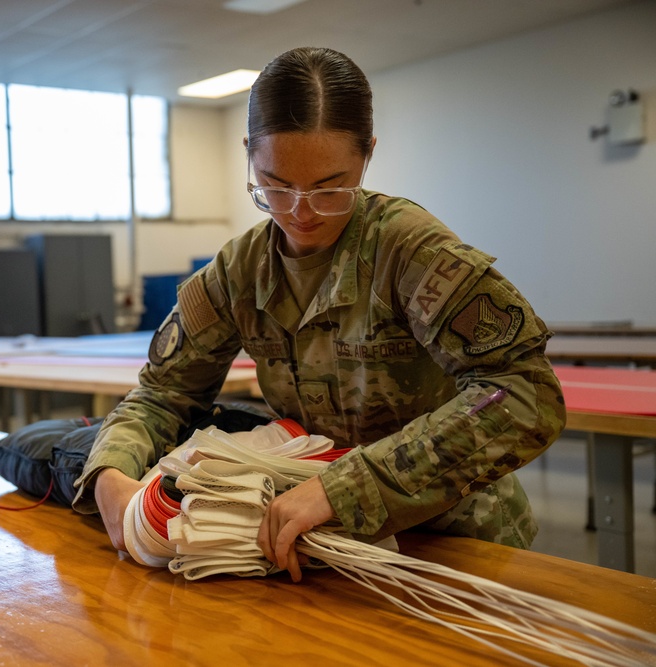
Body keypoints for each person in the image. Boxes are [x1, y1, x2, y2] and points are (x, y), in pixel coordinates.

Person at [71, 46, 566, 582]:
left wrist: (349, 487)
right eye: (274, 186)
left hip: (451, 543)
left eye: (331, 189)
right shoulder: (241, 271)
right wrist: (109, 471)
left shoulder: (408, 251)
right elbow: (164, 393)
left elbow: (524, 393)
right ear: (249, 155)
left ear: (368, 155)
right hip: (313, 546)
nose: (300, 213)